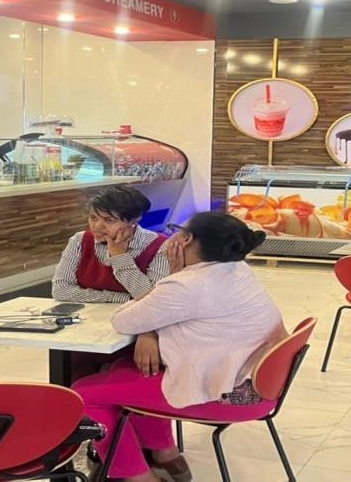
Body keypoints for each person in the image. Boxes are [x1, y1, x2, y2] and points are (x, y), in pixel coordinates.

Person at [72, 211, 287, 482]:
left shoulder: (187, 285)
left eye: (176, 229)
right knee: (124, 367)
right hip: (259, 388)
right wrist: (156, 316)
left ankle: (138, 478)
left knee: (84, 393)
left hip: (225, 397)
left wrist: (169, 282)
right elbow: (166, 312)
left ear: (186, 240)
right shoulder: (236, 269)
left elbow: (123, 320)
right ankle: (166, 454)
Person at [51, 185, 170, 303]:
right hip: (89, 314)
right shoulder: (79, 240)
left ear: (133, 221)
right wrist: (122, 298)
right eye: (93, 218)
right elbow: (61, 291)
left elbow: (153, 299)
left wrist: (119, 256)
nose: (97, 226)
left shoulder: (161, 247)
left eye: (109, 220)